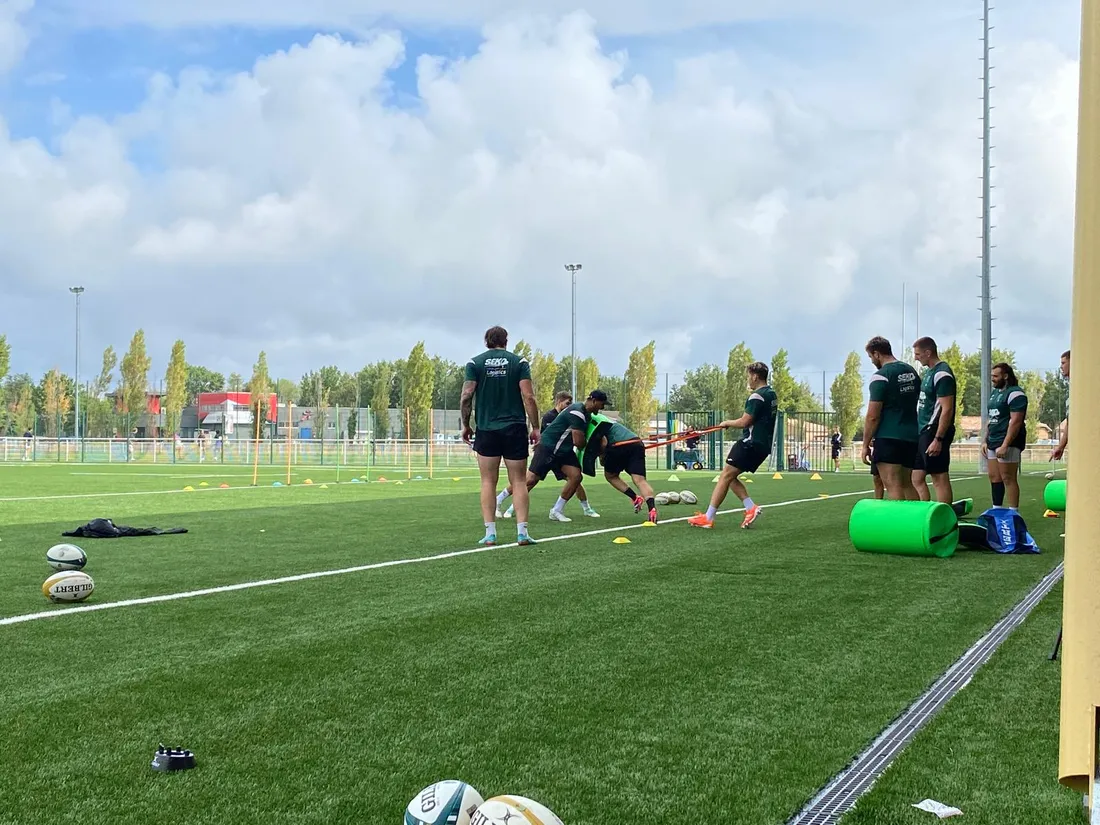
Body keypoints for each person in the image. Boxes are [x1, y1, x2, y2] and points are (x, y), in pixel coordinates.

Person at [460, 325, 541, 546]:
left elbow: (467, 395)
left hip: (486, 428)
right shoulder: (520, 363)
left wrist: (466, 425)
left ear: (486, 341)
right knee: (519, 481)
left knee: (488, 481)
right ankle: (522, 533)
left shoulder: (474, 363)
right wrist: (535, 427)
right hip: (514, 428)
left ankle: (490, 534)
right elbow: (529, 397)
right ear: (506, 341)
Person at [495, 390, 609, 523]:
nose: (603, 407)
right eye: (602, 404)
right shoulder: (577, 412)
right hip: (549, 447)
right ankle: (498, 500)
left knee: (576, 476)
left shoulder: (586, 415)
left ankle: (556, 510)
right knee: (530, 479)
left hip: (563, 451)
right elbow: (578, 442)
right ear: (594, 401)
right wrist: (595, 448)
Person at [688, 361, 777, 529]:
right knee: (729, 476)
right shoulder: (772, 393)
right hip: (762, 445)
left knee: (725, 476)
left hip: (750, 443)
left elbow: (745, 421)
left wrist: (727, 422)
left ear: (755, 376)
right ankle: (750, 508)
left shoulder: (756, 396)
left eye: (749, 376)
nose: (748, 380)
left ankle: (708, 518)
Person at [860, 336, 920, 501]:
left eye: (871, 357)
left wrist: (865, 444)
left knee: (892, 485)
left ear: (877, 354)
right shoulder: (911, 372)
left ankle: (901, 525)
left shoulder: (881, 376)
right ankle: (916, 523)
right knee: (907, 483)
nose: (872, 361)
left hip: (889, 436)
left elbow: (873, 416)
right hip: (911, 436)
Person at [911, 337, 957, 504]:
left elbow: (947, 408)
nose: (916, 357)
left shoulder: (942, 374)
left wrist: (938, 438)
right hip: (923, 431)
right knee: (916, 477)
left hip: (934, 430)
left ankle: (946, 519)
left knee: (939, 476)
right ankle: (924, 515)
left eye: (917, 354)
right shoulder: (930, 372)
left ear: (928, 353)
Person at [592, 417, 659, 523]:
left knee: (610, 476)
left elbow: (603, 443)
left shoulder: (592, 423)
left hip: (618, 446)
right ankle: (652, 510)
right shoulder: (606, 420)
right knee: (640, 480)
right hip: (636, 442)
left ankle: (635, 498)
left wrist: (601, 456)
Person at [983, 362, 1028, 510]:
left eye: (996, 376)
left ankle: (1014, 514)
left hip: (1008, 441)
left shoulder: (1016, 393)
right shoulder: (995, 393)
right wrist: (985, 440)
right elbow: (991, 419)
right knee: (994, 477)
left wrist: (1005, 444)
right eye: (992, 376)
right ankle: (997, 510)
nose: (993, 379)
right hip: (993, 440)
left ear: (1006, 376)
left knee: (1008, 478)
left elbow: (1016, 421)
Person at [1051, 349, 1070, 461]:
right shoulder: (1070, 389)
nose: (1061, 367)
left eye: (1063, 363)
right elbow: (1070, 421)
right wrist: (1061, 446)